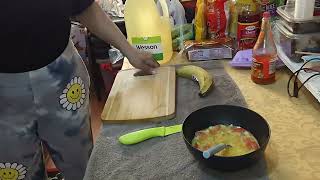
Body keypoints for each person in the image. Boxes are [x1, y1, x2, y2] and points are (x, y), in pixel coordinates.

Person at [0, 1, 159, 179]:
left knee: (83, 168)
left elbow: (85, 7)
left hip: (62, 78)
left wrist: (130, 52)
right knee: (16, 172)